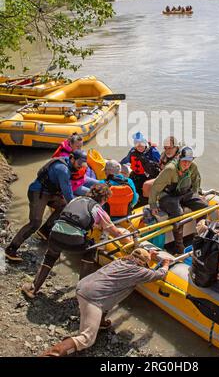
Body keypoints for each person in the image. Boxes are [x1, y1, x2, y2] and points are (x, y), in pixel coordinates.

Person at [41, 248, 171, 356]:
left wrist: (149, 255)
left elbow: (139, 263)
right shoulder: (139, 271)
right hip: (92, 297)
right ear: (143, 263)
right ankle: (52, 354)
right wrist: (165, 265)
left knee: (109, 296)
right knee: (87, 339)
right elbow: (159, 274)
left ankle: (101, 323)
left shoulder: (121, 260)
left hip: (83, 286)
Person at [21, 185, 132, 299]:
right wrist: (129, 242)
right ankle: (82, 292)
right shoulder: (98, 209)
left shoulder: (75, 199)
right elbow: (116, 233)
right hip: (74, 240)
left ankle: (33, 289)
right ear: (104, 199)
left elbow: (75, 217)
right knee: (92, 248)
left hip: (54, 234)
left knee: (50, 256)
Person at [5, 150, 87, 262]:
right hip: (38, 192)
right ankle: (11, 249)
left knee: (62, 205)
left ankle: (44, 230)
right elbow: (68, 194)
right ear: (72, 158)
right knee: (35, 223)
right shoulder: (63, 170)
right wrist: (78, 209)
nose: (80, 166)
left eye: (83, 164)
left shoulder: (68, 163)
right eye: (79, 163)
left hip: (51, 193)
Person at [149, 146, 207, 254]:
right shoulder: (170, 169)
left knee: (203, 206)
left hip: (184, 194)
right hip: (168, 196)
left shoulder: (193, 167)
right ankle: (179, 246)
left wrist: (197, 193)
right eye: (184, 161)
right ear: (179, 158)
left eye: (189, 161)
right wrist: (152, 205)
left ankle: (199, 236)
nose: (186, 164)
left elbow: (196, 181)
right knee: (177, 212)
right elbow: (155, 187)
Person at [121, 132, 160, 205]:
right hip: (137, 175)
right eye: (137, 145)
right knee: (129, 186)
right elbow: (126, 160)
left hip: (151, 176)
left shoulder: (153, 151)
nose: (139, 147)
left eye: (141, 144)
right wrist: (119, 164)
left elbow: (161, 163)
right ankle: (132, 201)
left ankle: (147, 202)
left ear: (145, 143)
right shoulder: (133, 151)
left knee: (146, 189)